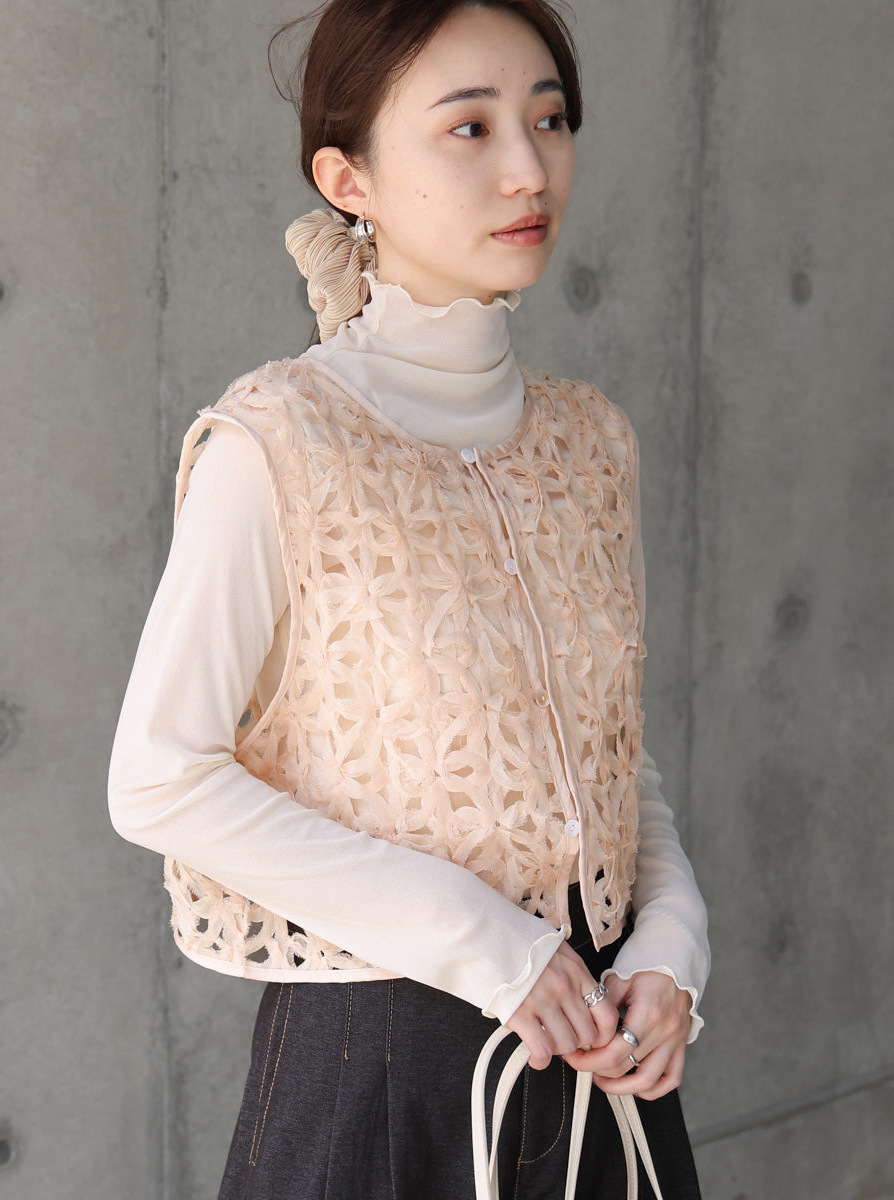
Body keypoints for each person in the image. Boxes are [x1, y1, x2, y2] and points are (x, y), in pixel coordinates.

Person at [108, 1, 711, 1196]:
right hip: (379, 1081)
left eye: (550, 120)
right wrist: (483, 939)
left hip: (601, 1063)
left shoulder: (590, 444)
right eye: (469, 128)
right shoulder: (278, 442)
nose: (528, 167)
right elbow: (160, 776)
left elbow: (608, 758)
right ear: (349, 180)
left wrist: (674, 944)